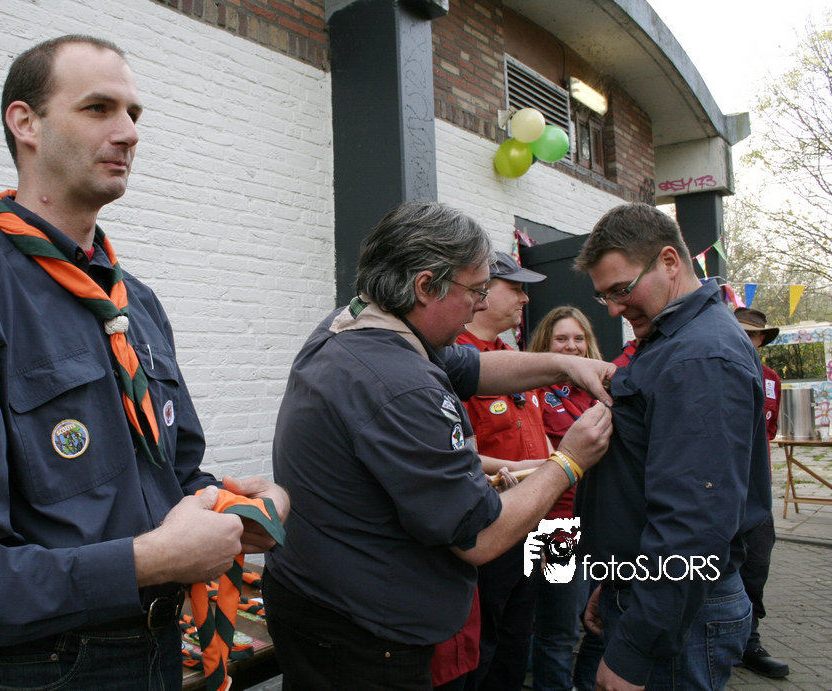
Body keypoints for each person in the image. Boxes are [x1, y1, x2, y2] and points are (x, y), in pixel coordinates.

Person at [0, 35, 288, 691]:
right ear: (26, 123)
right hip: (41, 669)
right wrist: (149, 560)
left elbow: (172, 480)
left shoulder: (135, 304)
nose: (128, 132)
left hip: (158, 650)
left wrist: (235, 508)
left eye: (134, 113)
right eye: (99, 108)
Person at [263, 201, 615, 691]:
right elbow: (480, 536)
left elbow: (472, 367)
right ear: (426, 285)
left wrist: (565, 365)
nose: (481, 304)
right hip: (365, 637)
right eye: (477, 290)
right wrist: (569, 461)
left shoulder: (361, 324)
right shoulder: (401, 384)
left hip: (319, 600)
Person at [574, 203, 771, 691]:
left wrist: (637, 645)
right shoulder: (673, 338)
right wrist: (618, 580)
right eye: (605, 296)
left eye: (622, 289)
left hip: (682, 611)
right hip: (654, 591)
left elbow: (693, 519)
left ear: (668, 261)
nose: (615, 309)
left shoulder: (700, 355)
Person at [456, 252, 550, 691]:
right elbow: (456, 454)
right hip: (490, 524)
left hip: (535, 520)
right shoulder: (454, 360)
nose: (524, 299)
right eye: (515, 289)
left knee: (521, 632)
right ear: (483, 290)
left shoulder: (512, 358)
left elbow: (539, 436)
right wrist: (534, 468)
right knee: (486, 639)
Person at [526, 306, 603, 691]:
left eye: (578, 338)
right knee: (559, 631)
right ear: (546, 344)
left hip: (603, 525)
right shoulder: (534, 391)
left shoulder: (602, 389)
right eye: (561, 339)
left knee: (605, 623)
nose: (571, 346)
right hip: (557, 528)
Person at [733, 307, 790, 679]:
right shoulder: (714, 368)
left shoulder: (772, 379)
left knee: (755, 569)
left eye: (754, 335)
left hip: (756, 494)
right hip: (716, 492)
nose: (748, 340)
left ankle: (748, 642)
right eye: (741, 333)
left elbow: (767, 432)